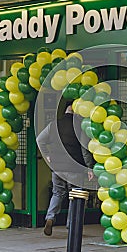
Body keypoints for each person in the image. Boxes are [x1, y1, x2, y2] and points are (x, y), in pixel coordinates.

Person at [36, 100, 94, 236]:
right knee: (75, 196)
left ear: (65, 110)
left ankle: (50, 218)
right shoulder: (79, 126)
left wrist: (47, 155)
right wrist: (89, 167)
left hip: (57, 167)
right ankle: (71, 225)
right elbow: (84, 149)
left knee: (57, 193)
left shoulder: (54, 125)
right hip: (74, 168)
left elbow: (40, 139)